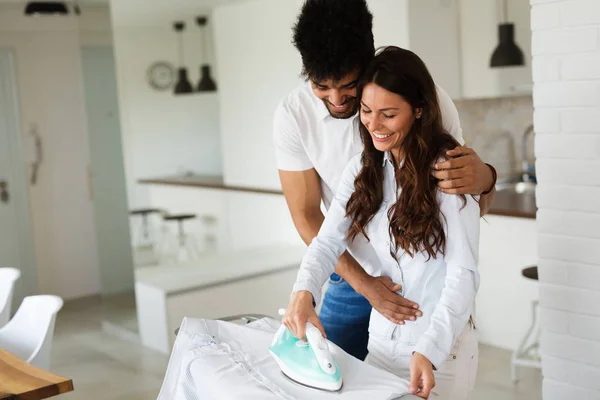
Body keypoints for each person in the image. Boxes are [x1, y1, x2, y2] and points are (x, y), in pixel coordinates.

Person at [273, 0, 495, 361]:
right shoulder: (294, 116)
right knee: (332, 370)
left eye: (347, 86)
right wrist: (361, 286)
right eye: (320, 86)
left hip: (420, 277)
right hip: (348, 272)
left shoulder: (429, 100)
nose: (335, 99)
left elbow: (461, 197)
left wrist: (485, 179)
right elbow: (310, 220)